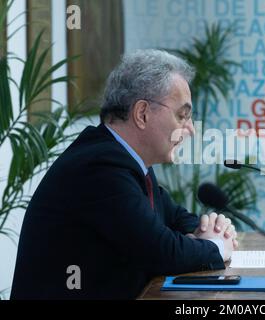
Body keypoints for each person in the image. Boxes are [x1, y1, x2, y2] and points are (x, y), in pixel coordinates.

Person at [11, 50, 238, 299]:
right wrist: (216, 247)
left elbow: (174, 217)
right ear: (142, 114)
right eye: (182, 116)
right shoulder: (100, 167)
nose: (191, 130)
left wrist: (213, 228)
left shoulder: (127, 161)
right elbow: (161, 252)